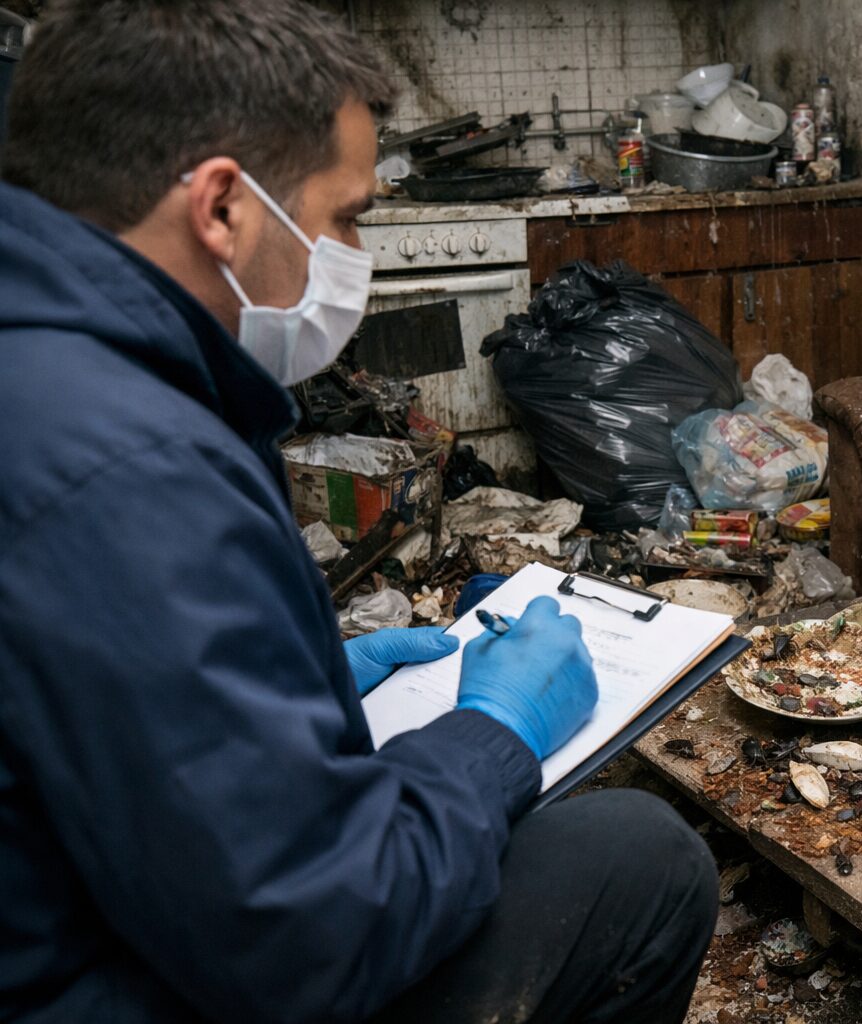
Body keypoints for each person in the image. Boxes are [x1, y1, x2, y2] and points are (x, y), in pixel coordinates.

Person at [0, 2, 715, 1022]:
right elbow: (311, 931)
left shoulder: (49, 360)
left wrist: (308, 678)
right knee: (643, 860)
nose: (349, 255)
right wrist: (491, 731)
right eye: (344, 218)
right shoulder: (129, 469)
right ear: (221, 209)